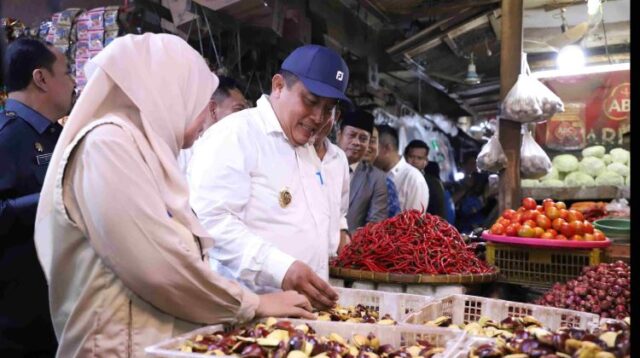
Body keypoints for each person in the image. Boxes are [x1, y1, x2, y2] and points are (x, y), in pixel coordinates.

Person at [33, 34, 313, 358]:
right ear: (168, 92)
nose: (207, 117)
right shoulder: (107, 146)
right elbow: (157, 266)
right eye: (200, 102)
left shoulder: (147, 152)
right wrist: (253, 303)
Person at [188, 44, 349, 309]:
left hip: (306, 314)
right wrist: (281, 268)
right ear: (278, 86)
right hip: (251, 315)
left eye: (329, 108)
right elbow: (212, 222)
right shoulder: (236, 135)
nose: (319, 117)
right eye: (310, 101)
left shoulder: (308, 151)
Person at [1, 37, 75, 357]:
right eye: (67, 72)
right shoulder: (7, 137)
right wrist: (53, 199)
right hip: (17, 321)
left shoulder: (55, 134)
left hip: (56, 306)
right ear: (41, 78)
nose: (74, 82)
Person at [177, 75, 248, 174]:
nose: (245, 117)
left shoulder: (242, 154)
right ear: (213, 109)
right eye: (238, 109)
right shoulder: (178, 155)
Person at [336, 109, 388, 232]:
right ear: (339, 135)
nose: (356, 142)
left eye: (363, 138)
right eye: (351, 135)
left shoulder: (376, 178)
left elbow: (375, 226)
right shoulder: (321, 164)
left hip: (349, 248)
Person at [309, 108, 351, 255]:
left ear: (336, 116)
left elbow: (340, 212)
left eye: (327, 112)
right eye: (312, 105)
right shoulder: (292, 151)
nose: (318, 119)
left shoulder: (339, 158)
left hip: (329, 262)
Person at [374, 125, 429, 212]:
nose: (368, 150)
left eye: (373, 145)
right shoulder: (374, 174)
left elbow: (413, 222)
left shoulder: (414, 180)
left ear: (387, 148)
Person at [362, 125, 400, 218]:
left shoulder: (386, 183)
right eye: (363, 139)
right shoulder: (337, 172)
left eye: (372, 141)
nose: (367, 146)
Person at [404, 139, 446, 218]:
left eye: (419, 158)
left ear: (425, 161)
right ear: (405, 157)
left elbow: (439, 214)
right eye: (411, 156)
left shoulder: (433, 184)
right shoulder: (397, 178)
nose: (415, 161)